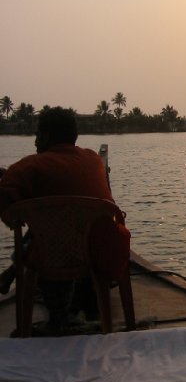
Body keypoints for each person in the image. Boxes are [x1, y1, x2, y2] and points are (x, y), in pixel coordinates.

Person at [0, 106, 114, 328]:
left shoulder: (29, 166)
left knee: (44, 235)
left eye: (37, 135)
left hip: (55, 256)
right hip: (100, 253)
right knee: (55, 227)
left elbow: (6, 205)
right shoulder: (93, 160)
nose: (35, 142)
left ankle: (56, 318)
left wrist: (15, 211)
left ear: (46, 137)